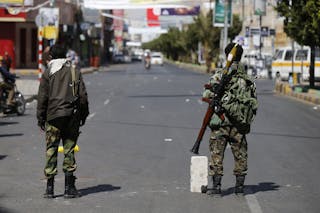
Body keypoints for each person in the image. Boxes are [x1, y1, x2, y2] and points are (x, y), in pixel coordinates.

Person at [202, 42, 258, 196]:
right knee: (240, 154)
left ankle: (217, 187)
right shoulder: (247, 79)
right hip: (239, 123)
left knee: (216, 153)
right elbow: (253, 102)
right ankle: (239, 188)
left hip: (221, 123)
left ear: (227, 55)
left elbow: (206, 95)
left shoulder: (220, 74)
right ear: (240, 57)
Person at [37, 44, 89, 199]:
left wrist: (40, 118)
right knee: (69, 150)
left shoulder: (48, 73)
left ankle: (50, 189)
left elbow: (42, 99)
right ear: (66, 56)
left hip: (52, 118)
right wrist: (83, 116)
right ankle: (69, 188)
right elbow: (83, 98)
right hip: (71, 117)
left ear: (51, 57)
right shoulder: (74, 71)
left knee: (51, 151)